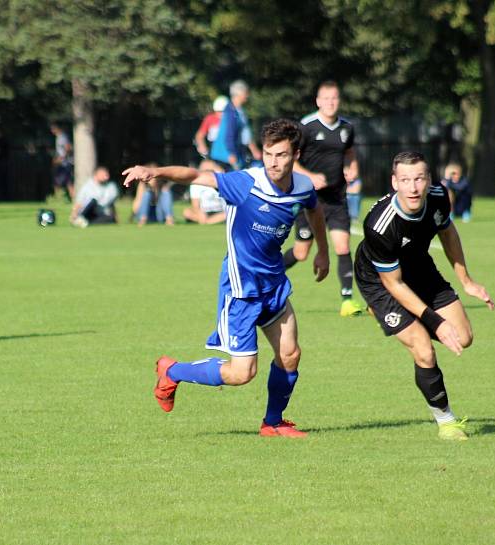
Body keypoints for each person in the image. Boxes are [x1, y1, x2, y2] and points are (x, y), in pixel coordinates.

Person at [122, 119, 330, 437]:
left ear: (295, 154)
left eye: (282, 155)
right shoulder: (245, 183)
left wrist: (322, 252)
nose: (273, 162)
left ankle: (273, 423)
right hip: (241, 289)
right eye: (268, 154)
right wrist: (156, 172)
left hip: (273, 285)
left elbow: (314, 211)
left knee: (290, 354)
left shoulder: (302, 187)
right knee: (242, 373)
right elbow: (195, 176)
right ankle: (172, 370)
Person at [354, 151, 494, 441]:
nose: (413, 187)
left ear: (429, 179)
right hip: (381, 282)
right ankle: (446, 422)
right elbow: (394, 285)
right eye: (405, 180)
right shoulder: (379, 225)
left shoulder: (439, 195)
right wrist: (435, 322)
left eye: (419, 178)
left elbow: (448, 232)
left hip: (419, 266)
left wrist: (466, 280)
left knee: (463, 337)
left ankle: (399, 319)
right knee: (423, 347)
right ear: (395, 182)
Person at [284, 80, 366, 317]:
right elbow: (291, 160)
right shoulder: (306, 127)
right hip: (308, 201)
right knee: (301, 253)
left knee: (342, 246)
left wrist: (352, 168)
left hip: (336, 198)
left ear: (339, 101)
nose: (331, 103)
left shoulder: (347, 128)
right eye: (326, 98)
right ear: (318, 101)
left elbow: (350, 153)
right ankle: (267, 276)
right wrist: (310, 177)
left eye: (335, 98)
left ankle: (347, 301)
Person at [209, 80, 262, 171]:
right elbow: (229, 134)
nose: (247, 95)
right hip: (225, 155)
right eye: (246, 93)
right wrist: (231, 153)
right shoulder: (230, 111)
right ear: (239, 93)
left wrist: (254, 150)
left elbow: (246, 134)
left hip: (233, 153)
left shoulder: (239, 111)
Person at [183, 159, 227, 224]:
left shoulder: (221, 181)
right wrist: (199, 213)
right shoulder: (196, 183)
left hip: (221, 211)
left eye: (210, 170)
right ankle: (210, 221)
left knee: (227, 214)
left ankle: (207, 221)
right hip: (204, 212)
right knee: (186, 212)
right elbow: (195, 205)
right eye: (205, 170)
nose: (207, 173)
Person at [50, 123, 74, 200]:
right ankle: (68, 198)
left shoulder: (62, 137)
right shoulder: (59, 137)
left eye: (53, 128)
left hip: (64, 164)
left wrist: (61, 159)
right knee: (68, 182)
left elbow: (68, 148)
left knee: (59, 182)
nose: (52, 130)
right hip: (63, 163)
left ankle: (58, 198)